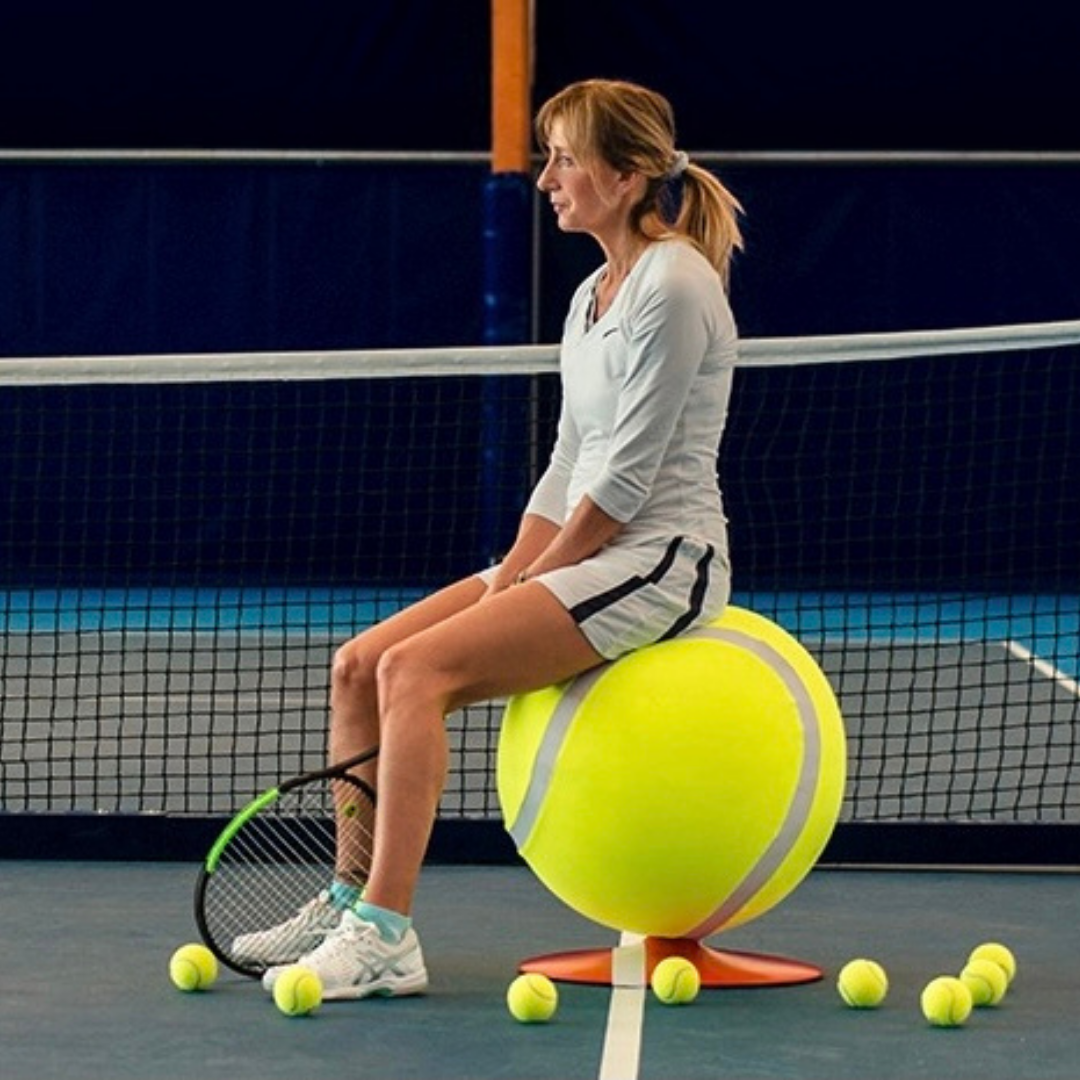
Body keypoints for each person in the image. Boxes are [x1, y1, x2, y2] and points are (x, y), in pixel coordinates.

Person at [237, 77, 744, 1001]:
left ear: (627, 176)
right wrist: (514, 569)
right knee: (360, 664)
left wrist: (531, 581)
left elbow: (625, 486)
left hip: (662, 559)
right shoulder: (594, 292)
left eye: (563, 157)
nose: (546, 176)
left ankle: (386, 936)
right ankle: (347, 898)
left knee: (415, 674)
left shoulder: (675, 283)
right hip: (593, 544)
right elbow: (568, 461)